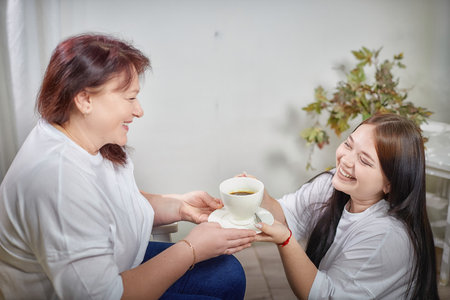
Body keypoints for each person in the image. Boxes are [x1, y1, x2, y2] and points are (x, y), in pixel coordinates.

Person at [0, 33, 256, 300]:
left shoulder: (86, 140)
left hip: (116, 262)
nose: (139, 111)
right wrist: (192, 248)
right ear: (85, 99)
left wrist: (180, 205)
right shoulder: (57, 184)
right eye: (130, 98)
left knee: (228, 274)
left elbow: (114, 201)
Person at [252, 113, 439, 299]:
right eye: (348, 145)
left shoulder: (387, 236)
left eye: (364, 160)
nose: (346, 161)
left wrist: (286, 240)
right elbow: (286, 215)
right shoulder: (335, 183)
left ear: (390, 183)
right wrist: (257, 195)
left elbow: (325, 296)